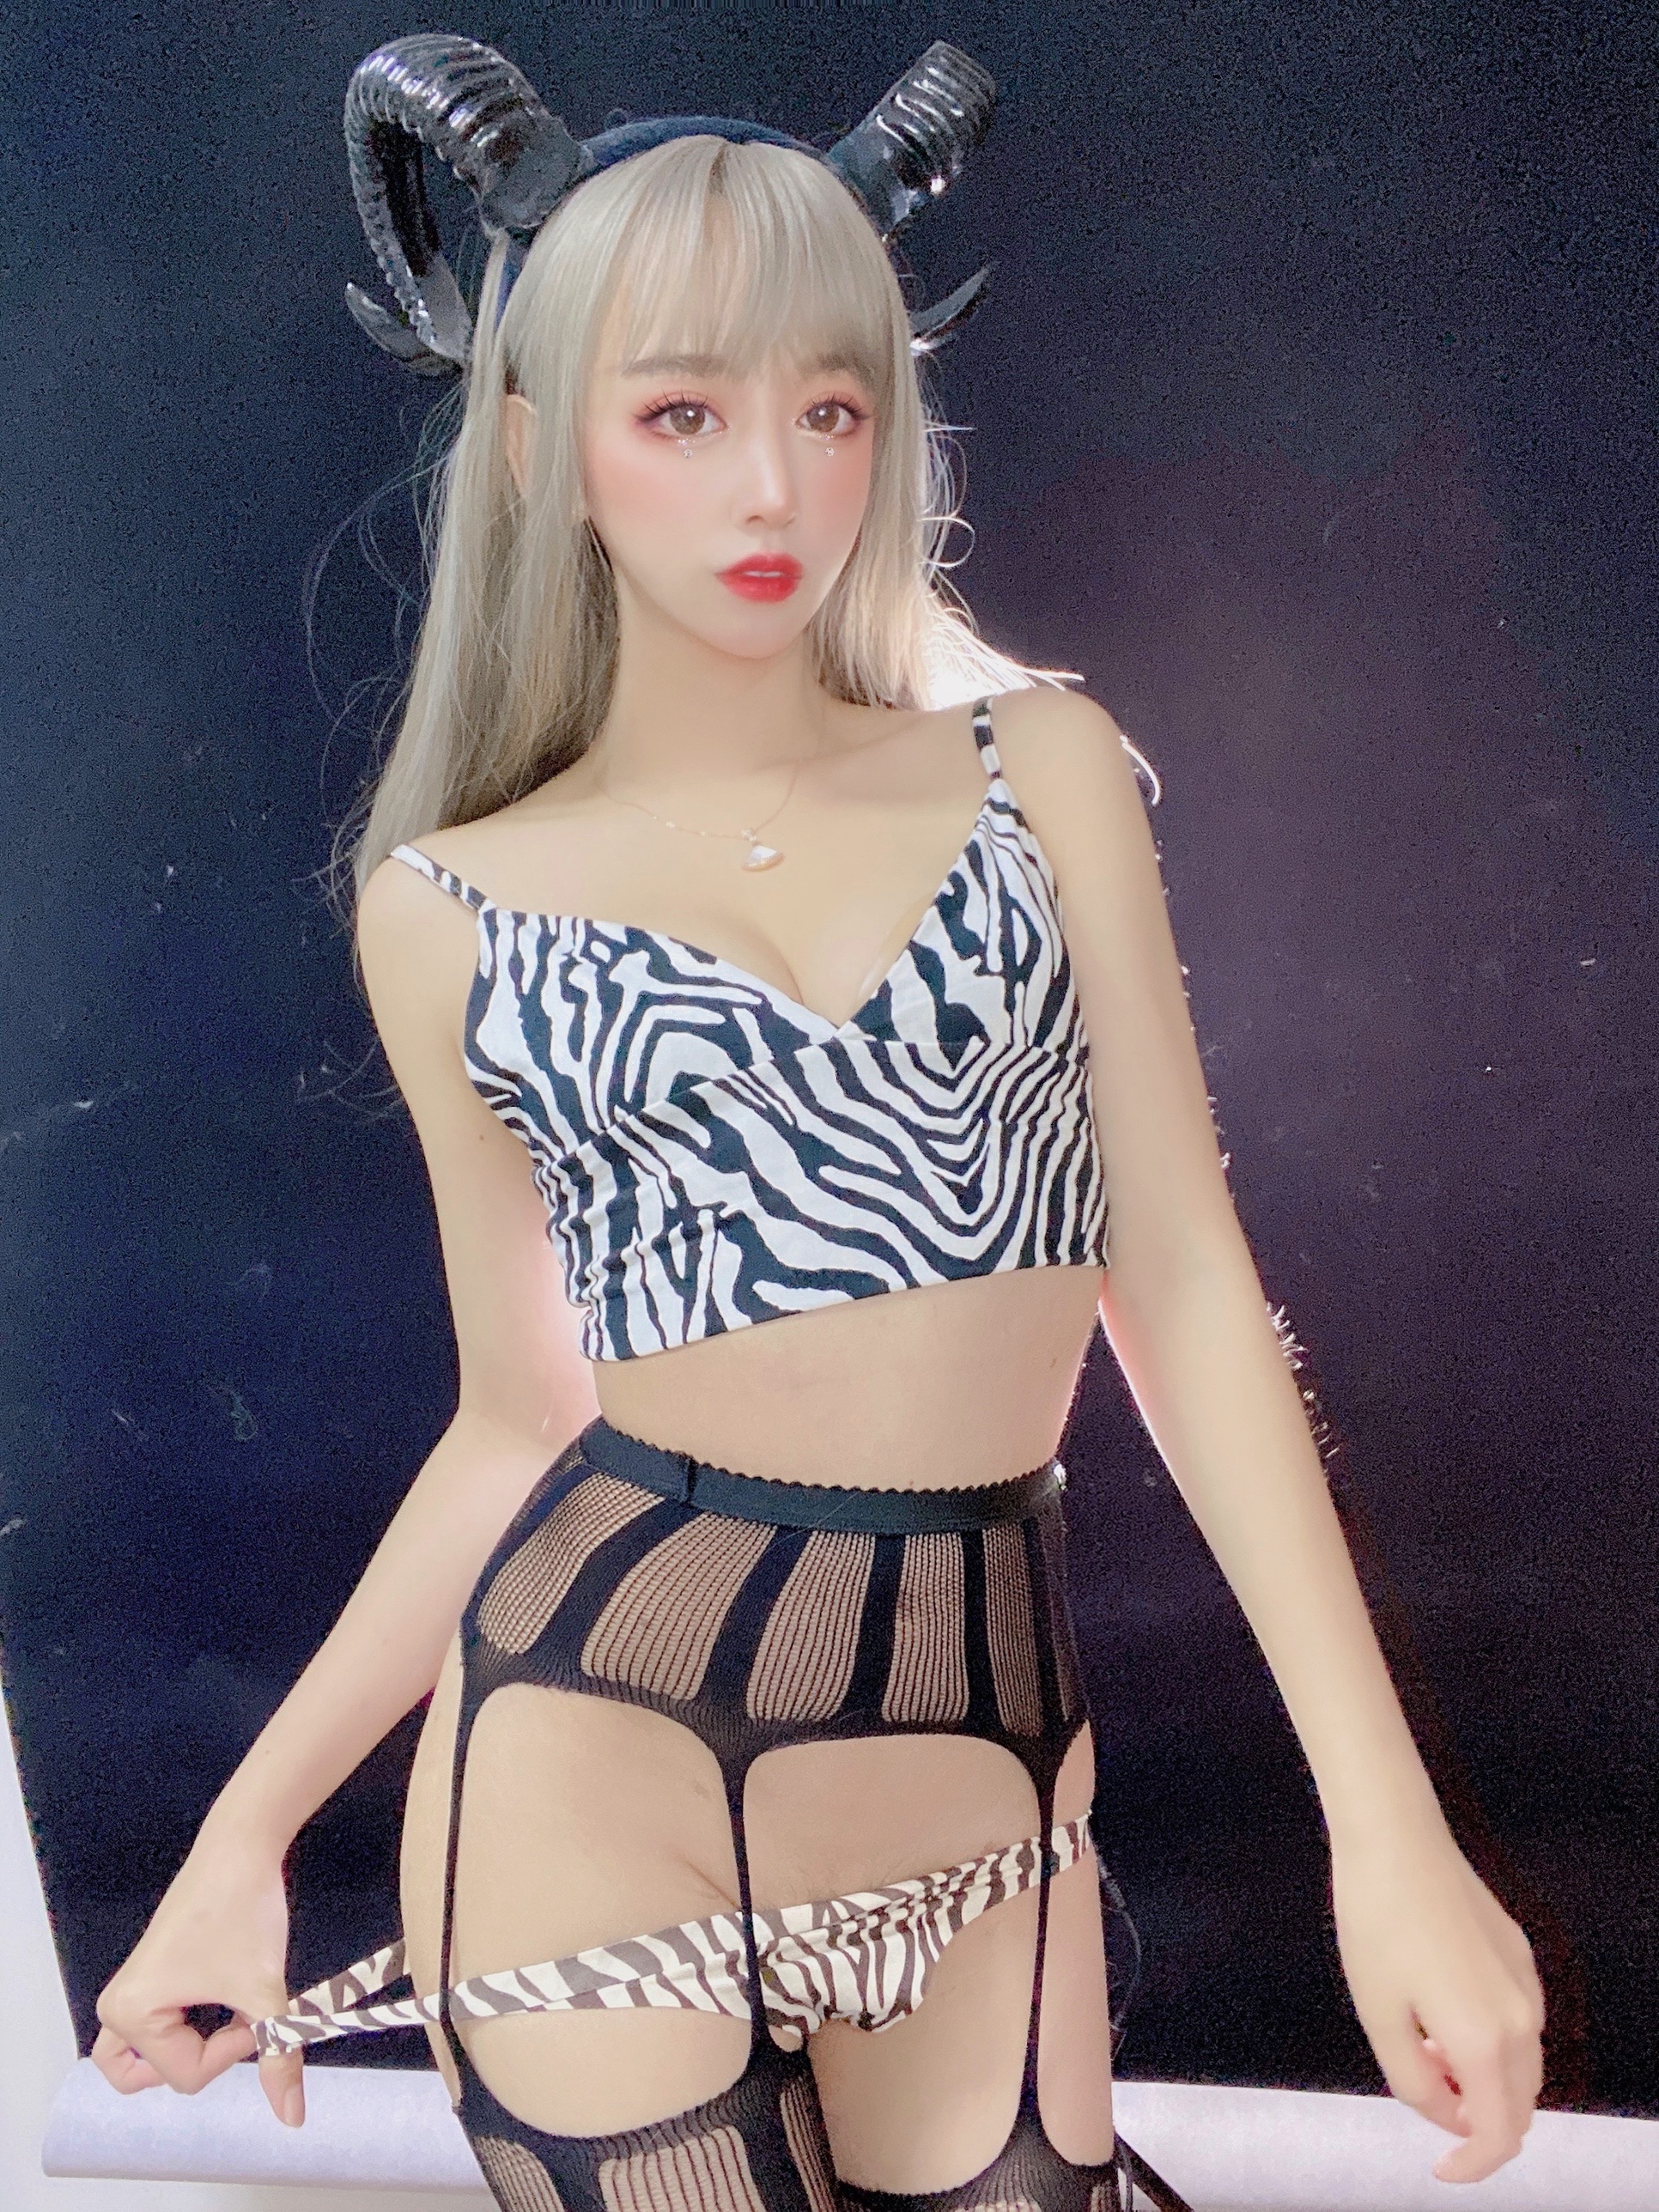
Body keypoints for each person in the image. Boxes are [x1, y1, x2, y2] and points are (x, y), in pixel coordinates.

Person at [91, 36, 1544, 2212]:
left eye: (831, 409)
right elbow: (517, 1420)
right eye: (683, 414)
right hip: (593, 1769)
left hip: (981, 1793)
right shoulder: (452, 909)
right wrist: (244, 1841)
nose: (773, 490)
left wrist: (1390, 1828)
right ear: (540, 442)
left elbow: (1182, 1283)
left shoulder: (1043, 773)